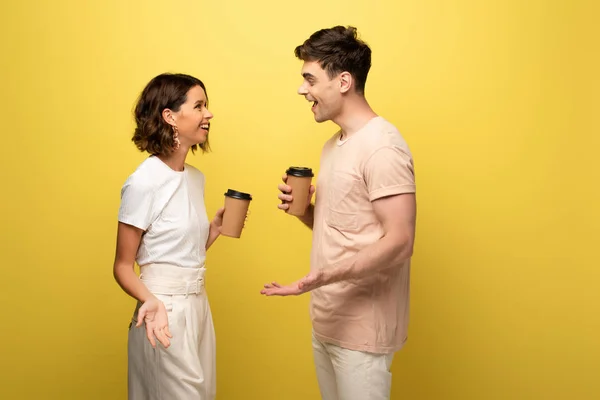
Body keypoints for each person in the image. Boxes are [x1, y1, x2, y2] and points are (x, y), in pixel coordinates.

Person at [261, 26, 417, 400]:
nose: (303, 90)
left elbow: (400, 241)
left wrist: (321, 277)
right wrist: (303, 212)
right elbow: (343, 229)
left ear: (344, 81)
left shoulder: (382, 147)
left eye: (310, 79)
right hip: (328, 322)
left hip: (363, 333)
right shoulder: (333, 145)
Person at [113, 73, 223, 400]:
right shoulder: (143, 181)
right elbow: (122, 265)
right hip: (163, 311)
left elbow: (176, 252)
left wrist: (213, 231)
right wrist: (151, 301)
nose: (209, 114)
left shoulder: (195, 178)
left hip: (199, 308)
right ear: (170, 116)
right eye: (199, 105)